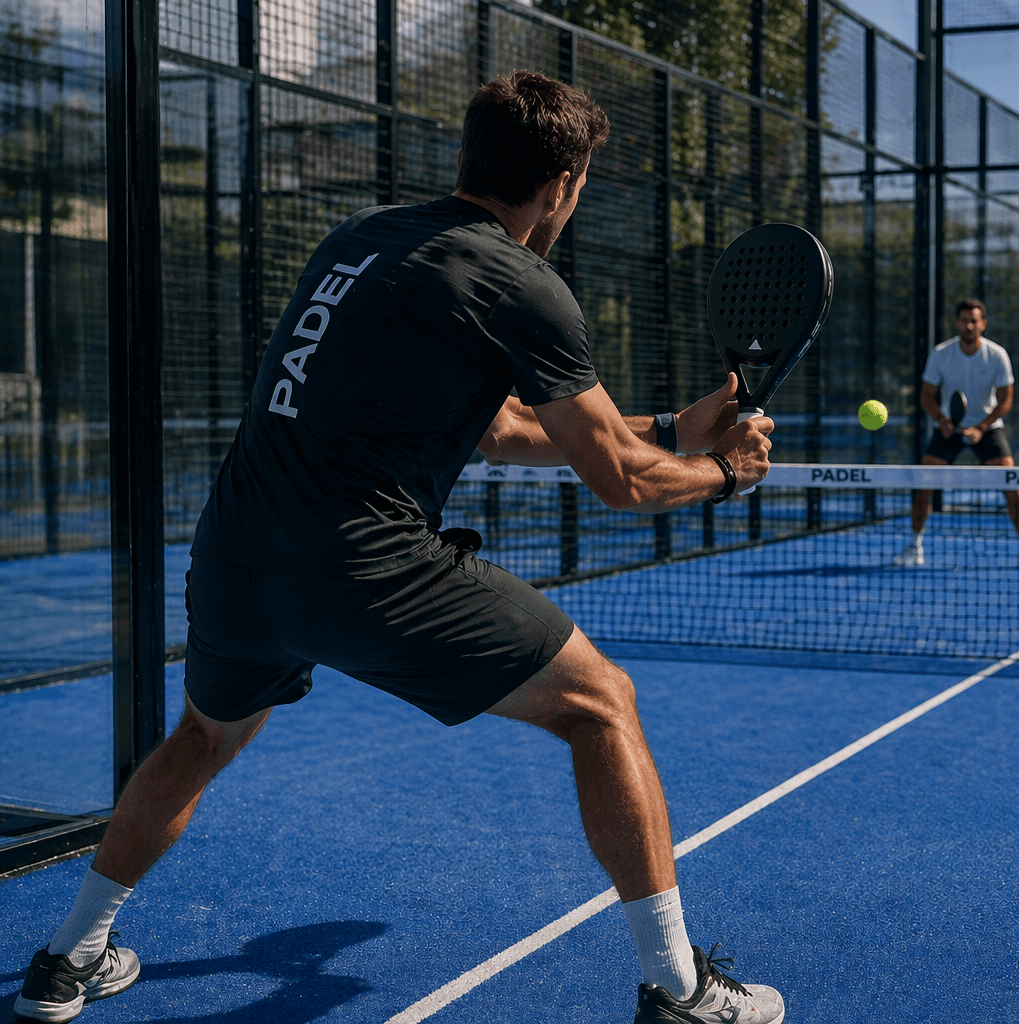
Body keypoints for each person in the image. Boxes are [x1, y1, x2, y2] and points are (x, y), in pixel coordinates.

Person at [14, 72, 786, 1024]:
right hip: (362, 567)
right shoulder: (523, 282)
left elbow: (500, 428)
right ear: (562, 185)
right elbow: (620, 484)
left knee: (203, 737)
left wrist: (671, 424)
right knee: (603, 704)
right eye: (581, 181)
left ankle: (68, 957)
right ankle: (680, 991)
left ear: (470, 155)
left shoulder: (361, 241)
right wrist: (727, 472)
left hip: (236, 555)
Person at [893, 298, 1019, 570]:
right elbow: (927, 395)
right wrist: (941, 419)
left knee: (1010, 482)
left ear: (983, 324)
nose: (969, 325)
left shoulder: (997, 355)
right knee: (924, 481)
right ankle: (914, 546)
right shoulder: (941, 353)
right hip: (949, 426)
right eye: (964, 320)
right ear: (957, 323)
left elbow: (1006, 400)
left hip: (987, 428)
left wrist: (982, 427)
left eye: (974, 321)